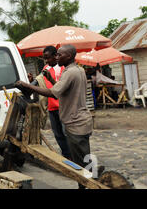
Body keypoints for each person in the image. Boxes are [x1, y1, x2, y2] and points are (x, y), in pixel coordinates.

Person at [15, 45, 93, 188]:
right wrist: (50, 78)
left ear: (68, 56)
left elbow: (53, 93)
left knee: (81, 164)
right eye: (56, 55)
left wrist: (28, 86)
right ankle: (87, 184)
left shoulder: (69, 72)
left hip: (75, 122)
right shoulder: (78, 70)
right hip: (82, 120)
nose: (57, 57)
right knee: (84, 159)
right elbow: (64, 89)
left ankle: (88, 185)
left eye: (59, 55)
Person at [41, 46, 71, 160]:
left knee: (66, 133)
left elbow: (61, 88)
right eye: (45, 58)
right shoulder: (45, 68)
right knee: (58, 135)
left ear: (55, 56)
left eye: (48, 58)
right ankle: (67, 156)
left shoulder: (63, 69)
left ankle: (74, 157)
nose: (47, 61)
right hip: (52, 107)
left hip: (63, 107)